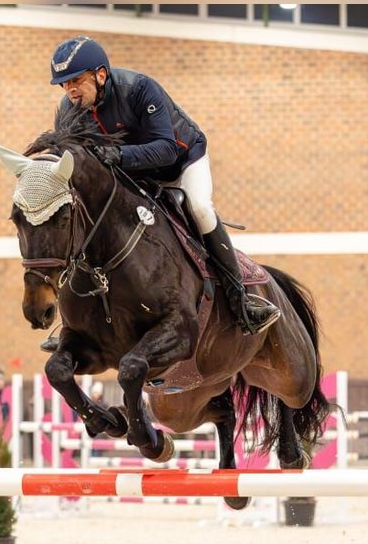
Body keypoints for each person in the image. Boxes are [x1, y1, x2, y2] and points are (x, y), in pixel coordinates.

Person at [39, 34, 280, 354]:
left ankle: (240, 299)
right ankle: (78, 322)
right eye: (64, 84)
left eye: (76, 81)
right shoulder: (72, 108)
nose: (70, 91)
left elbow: (166, 148)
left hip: (180, 162)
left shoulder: (139, 89)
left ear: (100, 74)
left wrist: (119, 157)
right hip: (134, 174)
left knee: (200, 208)